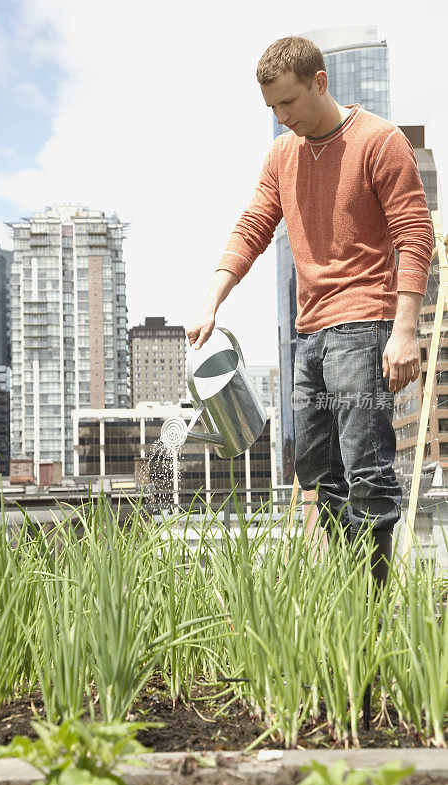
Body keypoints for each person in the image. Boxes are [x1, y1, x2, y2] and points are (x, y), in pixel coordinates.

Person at [186, 36, 434, 587]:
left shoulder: (379, 141)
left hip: (365, 327)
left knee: (367, 470)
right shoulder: (282, 154)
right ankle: (345, 591)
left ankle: (370, 608)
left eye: (289, 103)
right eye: (272, 108)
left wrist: (404, 331)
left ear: (320, 82)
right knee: (319, 472)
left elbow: (415, 235)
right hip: (309, 335)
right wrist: (212, 299)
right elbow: (253, 225)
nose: (281, 117)